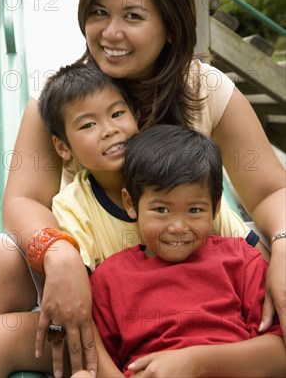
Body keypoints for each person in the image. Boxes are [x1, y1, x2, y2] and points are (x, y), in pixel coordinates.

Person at [0, 0, 285, 378]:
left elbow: (271, 191)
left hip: (197, 272)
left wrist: (284, 248)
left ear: (171, 26)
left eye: (132, 16)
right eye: (98, 12)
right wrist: (59, 256)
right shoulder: (61, 104)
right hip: (98, 279)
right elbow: (22, 201)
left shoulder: (204, 90)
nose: (110, 32)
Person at [0, 61, 141, 377]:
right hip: (107, 329)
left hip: (175, 318)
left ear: (136, 116)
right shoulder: (71, 209)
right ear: (62, 147)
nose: (109, 129)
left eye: (117, 114)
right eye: (88, 125)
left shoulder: (170, 183)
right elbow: (83, 308)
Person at [86, 125, 285, 377]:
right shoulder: (109, 279)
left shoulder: (241, 261)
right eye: (161, 210)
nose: (178, 227)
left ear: (215, 208)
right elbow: (97, 360)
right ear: (131, 203)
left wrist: (195, 362)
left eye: (194, 211)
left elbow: (279, 353)